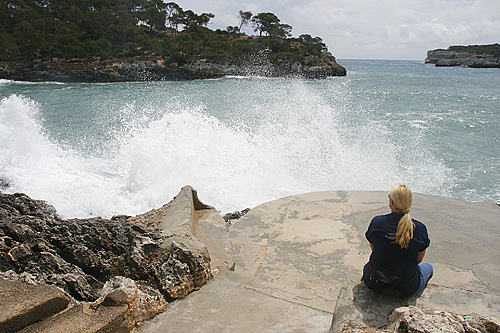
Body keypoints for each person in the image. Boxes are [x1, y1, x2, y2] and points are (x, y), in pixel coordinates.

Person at [362, 184, 433, 298]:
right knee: (428, 267)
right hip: (405, 288)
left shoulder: (377, 222)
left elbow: (374, 250)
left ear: (392, 203)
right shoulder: (420, 229)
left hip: (375, 281)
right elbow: (419, 259)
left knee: (371, 264)